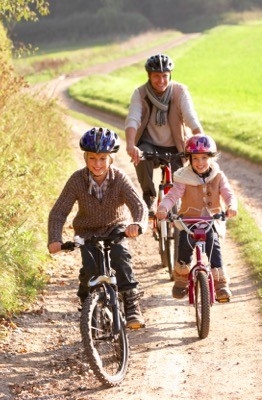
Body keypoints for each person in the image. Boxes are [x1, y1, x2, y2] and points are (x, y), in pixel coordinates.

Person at [48, 127, 148, 329]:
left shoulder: (119, 178)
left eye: (103, 158)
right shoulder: (77, 180)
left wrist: (137, 224)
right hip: (87, 232)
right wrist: (55, 239)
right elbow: (59, 212)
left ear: (111, 158)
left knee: (121, 258)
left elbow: (138, 205)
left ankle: (131, 305)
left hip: (116, 227)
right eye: (92, 158)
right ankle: (88, 306)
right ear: (85, 157)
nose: (97, 164)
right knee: (90, 269)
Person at [156, 134, 237, 301]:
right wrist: (163, 208)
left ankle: (220, 284)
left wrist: (231, 206)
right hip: (189, 220)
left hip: (211, 220)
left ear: (211, 157)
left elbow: (228, 193)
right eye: (195, 158)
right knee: (185, 245)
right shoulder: (183, 177)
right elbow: (172, 195)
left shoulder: (218, 176)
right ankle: (181, 279)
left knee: (213, 246)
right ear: (189, 159)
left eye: (204, 158)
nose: (200, 162)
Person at [125, 53, 204, 216]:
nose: (161, 80)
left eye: (164, 76)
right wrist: (131, 145)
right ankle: (149, 197)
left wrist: (201, 138)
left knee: (179, 181)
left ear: (170, 75)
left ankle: (177, 208)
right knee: (141, 157)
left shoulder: (180, 91)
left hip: (176, 146)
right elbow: (133, 119)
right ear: (149, 76)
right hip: (150, 145)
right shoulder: (140, 93)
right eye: (156, 76)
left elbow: (190, 117)